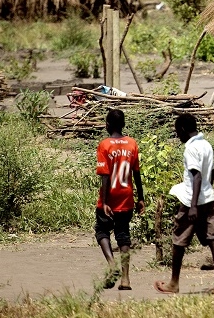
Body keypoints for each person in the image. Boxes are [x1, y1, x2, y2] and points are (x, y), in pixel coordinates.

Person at [154, 114, 214, 295]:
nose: (178, 136)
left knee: (178, 241)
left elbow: (197, 176)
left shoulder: (191, 148)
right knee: (212, 238)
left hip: (190, 201)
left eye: (178, 132)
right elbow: (211, 173)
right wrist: (207, 191)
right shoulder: (206, 145)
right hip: (208, 198)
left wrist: (193, 205)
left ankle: (174, 283)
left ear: (184, 130)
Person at [95, 108, 145, 290]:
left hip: (110, 197)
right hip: (127, 197)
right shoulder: (132, 144)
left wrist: (106, 202)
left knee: (101, 231)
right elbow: (137, 173)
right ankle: (125, 279)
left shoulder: (105, 145)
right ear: (123, 125)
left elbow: (105, 176)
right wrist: (141, 198)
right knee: (123, 235)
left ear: (107, 125)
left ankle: (111, 264)